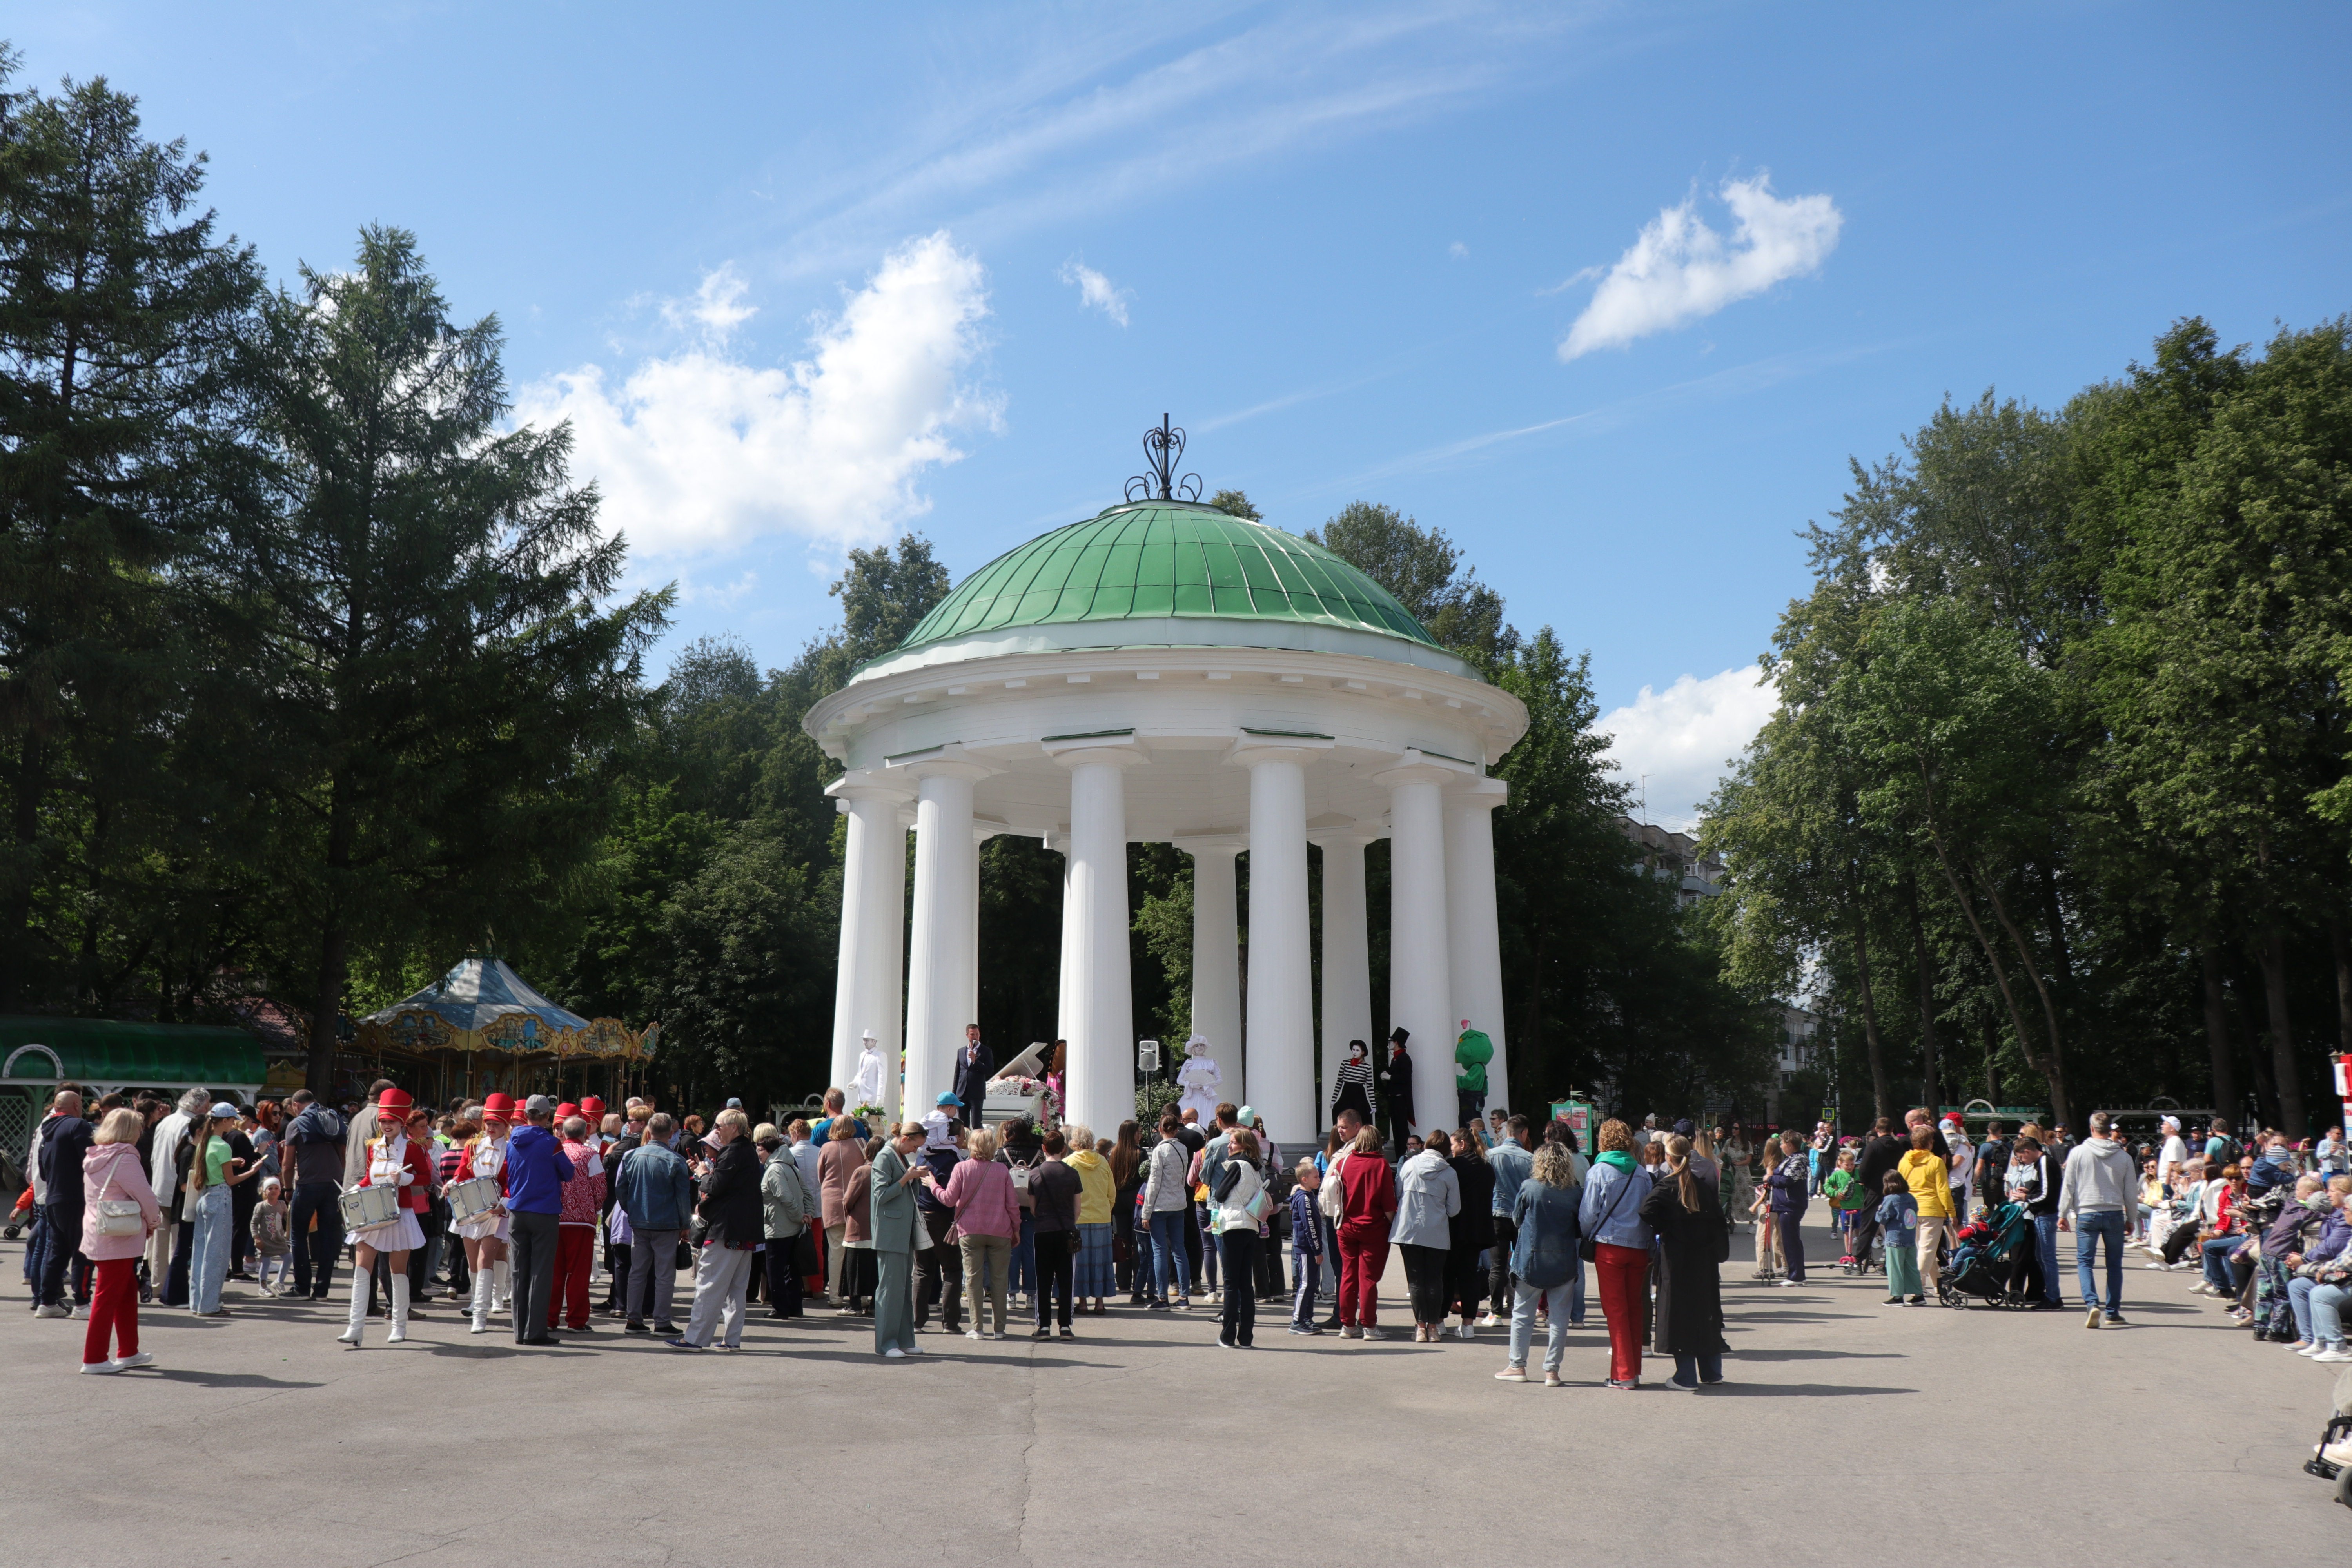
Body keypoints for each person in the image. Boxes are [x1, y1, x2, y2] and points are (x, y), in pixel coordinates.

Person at [338, 1088, 432, 1346]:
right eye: (383, 1121)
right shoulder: (374, 1147)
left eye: (391, 1121)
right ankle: (355, 1328)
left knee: (397, 1270)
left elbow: (426, 1177)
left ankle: (399, 1326)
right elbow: (370, 1176)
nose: (386, 1125)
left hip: (400, 1214)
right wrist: (358, 1188)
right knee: (361, 1268)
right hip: (372, 1213)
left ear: (402, 1123)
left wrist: (407, 1179)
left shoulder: (413, 1148)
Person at [78, 1107, 162, 1373]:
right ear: (129, 1131)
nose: (141, 1133)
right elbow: (146, 1197)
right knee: (108, 1296)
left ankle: (128, 1351)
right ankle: (94, 1359)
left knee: (125, 1292)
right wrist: (154, 1223)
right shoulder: (124, 1158)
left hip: (101, 1230)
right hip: (120, 1234)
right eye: (138, 1128)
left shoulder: (96, 1155)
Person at [1643, 1134, 1730, 1391]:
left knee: (1679, 1314)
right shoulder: (1701, 1185)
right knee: (1705, 1311)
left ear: (1668, 1158)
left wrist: (1666, 1228)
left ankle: (1686, 1376)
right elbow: (1718, 1222)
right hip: (1704, 1260)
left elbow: (1646, 1210)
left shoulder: (1668, 1185)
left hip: (1677, 1260)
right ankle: (1712, 1371)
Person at [669, 1108, 759, 1350]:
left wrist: (703, 1173)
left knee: (709, 1285)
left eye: (719, 1126)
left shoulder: (732, 1152)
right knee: (736, 1290)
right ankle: (732, 1340)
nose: (716, 1131)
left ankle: (695, 1338)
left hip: (725, 1229)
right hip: (744, 1230)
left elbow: (716, 1186)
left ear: (734, 1127)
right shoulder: (749, 1151)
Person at [1496, 1141, 1582, 1385]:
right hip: (1563, 1260)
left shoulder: (1530, 1187)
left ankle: (1517, 1366)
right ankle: (1552, 1371)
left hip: (1531, 1260)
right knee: (1559, 1319)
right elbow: (1579, 1228)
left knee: (1523, 1314)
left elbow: (1516, 1219)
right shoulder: (1576, 1192)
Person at [924, 1124, 1020, 1339]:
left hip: (970, 1230)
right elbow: (1012, 1205)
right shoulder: (1002, 1171)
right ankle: (1000, 1329)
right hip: (1000, 1230)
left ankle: (977, 1328)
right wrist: (1016, 1229)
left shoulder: (962, 1168)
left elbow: (949, 1200)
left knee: (973, 1280)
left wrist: (933, 1185)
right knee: (999, 1280)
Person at [1581, 1119, 1655, 1389]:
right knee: (1634, 1308)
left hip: (1610, 1247)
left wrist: (1586, 1234)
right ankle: (1632, 1370)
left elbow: (1588, 1214)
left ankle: (1624, 1375)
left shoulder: (1599, 1171)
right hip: (1638, 1247)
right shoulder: (1642, 1174)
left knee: (1616, 1311)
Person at [503, 1095, 575, 1347]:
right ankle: (535, 1332)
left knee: (519, 1271)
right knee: (541, 1272)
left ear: (525, 1115)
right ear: (547, 1117)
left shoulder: (512, 1141)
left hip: (517, 1212)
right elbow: (568, 1172)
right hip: (544, 1212)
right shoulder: (552, 1143)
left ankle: (519, 1331)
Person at [2058, 1109, 2139, 1328]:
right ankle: (2112, 1312)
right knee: (2114, 1265)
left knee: (2085, 1262)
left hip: (2086, 1212)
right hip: (2114, 1213)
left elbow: (2069, 1185)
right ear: (2110, 1129)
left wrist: (2063, 1213)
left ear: (2092, 1129)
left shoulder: (2078, 1153)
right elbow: (2131, 1191)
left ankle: (2092, 1304)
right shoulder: (2124, 1156)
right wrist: (2132, 1218)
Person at [1391, 1127, 1461, 1343]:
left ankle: (1420, 1327)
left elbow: (1398, 1194)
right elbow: (1454, 1209)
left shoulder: (1409, 1165)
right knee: (1434, 1281)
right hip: (1437, 1232)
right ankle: (1433, 1327)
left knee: (1415, 1281)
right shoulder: (1449, 1172)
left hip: (1409, 1230)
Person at [143, 1088, 209, 1307]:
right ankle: (173, 1286)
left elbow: (155, 1156)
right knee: (177, 1241)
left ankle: (157, 1284)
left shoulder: (166, 1121)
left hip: (161, 1184)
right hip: (177, 1187)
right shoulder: (188, 1125)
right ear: (199, 1107)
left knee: (159, 1240)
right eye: (207, 1106)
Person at [279, 1089, 347, 1302]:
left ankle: (301, 1288)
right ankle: (322, 1291)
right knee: (329, 1236)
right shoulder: (333, 1118)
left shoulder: (296, 1124)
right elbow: (342, 1155)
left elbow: (288, 1164)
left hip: (308, 1184)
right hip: (334, 1184)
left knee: (298, 1235)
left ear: (296, 1105)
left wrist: (288, 1188)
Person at [33, 1090, 94, 1317]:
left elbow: (43, 1169)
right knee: (83, 1252)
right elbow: (90, 1162)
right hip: (76, 1198)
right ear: (77, 1104)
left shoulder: (46, 1130)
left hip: (54, 1197)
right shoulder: (79, 1126)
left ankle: (47, 1302)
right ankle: (82, 1303)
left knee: (58, 1252)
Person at [1206, 1126, 1266, 1348]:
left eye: (1233, 1143)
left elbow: (1220, 1194)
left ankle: (1228, 1336)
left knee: (1230, 1284)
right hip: (1250, 1227)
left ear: (1245, 1146)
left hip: (1233, 1227)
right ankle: (1246, 1338)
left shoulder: (1237, 1166)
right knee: (1245, 1285)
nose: (1229, 1146)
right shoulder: (1255, 1168)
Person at [1336, 1123, 1398, 1338]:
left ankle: (1347, 1325)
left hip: (1346, 1226)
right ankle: (1369, 1326)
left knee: (1348, 1275)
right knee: (1369, 1279)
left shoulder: (1343, 1163)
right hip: (1374, 1227)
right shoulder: (1381, 1165)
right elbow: (1388, 1203)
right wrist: (1394, 1225)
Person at [546, 1116, 606, 1336]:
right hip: (582, 1221)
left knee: (555, 1271)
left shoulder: (555, 1152)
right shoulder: (591, 1154)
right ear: (585, 1133)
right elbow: (600, 1187)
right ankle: (576, 1321)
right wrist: (594, 1207)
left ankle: (550, 1319)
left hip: (555, 1217)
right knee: (579, 1272)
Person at [869, 1122, 924, 1358]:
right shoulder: (884, 1157)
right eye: (915, 1145)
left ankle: (903, 1340)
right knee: (890, 1289)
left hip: (902, 1232)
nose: (915, 1151)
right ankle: (886, 1344)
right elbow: (881, 1195)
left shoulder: (897, 1156)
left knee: (902, 1288)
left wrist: (915, 1178)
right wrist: (907, 1179)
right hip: (890, 1233)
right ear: (904, 1138)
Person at [1024, 1129, 1082, 1340]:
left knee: (1044, 1280)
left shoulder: (1035, 1174)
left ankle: (1044, 1326)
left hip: (1043, 1232)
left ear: (1043, 1149)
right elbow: (1078, 1209)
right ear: (1064, 1149)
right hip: (1066, 1231)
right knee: (1067, 1281)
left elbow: (1033, 1209)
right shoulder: (1072, 1173)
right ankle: (1065, 1326)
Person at [914, 1120, 966, 1332]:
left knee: (923, 1270)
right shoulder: (951, 1160)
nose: (963, 1139)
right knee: (952, 1269)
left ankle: (916, 1322)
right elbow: (952, 1197)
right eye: (962, 1134)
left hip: (921, 1215)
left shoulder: (923, 1155)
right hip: (943, 1218)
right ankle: (950, 1323)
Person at [1483, 1114, 1535, 1328]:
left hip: (1496, 1215)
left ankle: (1495, 1313)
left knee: (1497, 1266)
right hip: (1522, 1217)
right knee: (1523, 1265)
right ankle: (1523, 1310)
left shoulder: (1490, 1155)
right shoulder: (1530, 1159)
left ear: (1506, 1133)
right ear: (1524, 1134)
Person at [758, 1123, 813, 1321]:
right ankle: (795, 1307)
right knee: (792, 1269)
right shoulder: (790, 1166)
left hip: (778, 1228)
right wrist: (807, 1215)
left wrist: (801, 1216)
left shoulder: (774, 1170)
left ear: (771, 1151)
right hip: (792, 1227)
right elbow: (806, 1193)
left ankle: (780, 1308)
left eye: (761, 1151)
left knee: (775, 1270)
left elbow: (786, 1197)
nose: (759, 1154)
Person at [1446, 1126, 1495, 1341]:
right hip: (1477, 1230)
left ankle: (1439, 1322)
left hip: (1453, 1229)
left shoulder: (1453, 1167)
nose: (1452, 1149)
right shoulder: (1486, 1168)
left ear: (1462, 1145)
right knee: (1470, 1277)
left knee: (1447, 1275)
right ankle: (1468, 1326)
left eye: (1453, 1145)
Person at [1143, 1110, 1195, 1310]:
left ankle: (1163, 1298)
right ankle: (1184, 1297)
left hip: (1160, 1206)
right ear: (1176, 1129)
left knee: (1160, 1252)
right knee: (1179, 1250)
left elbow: (1154, 1183)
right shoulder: (1183, 1148)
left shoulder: (1159, 1150)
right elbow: (1183, 1177)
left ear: (1160, 1130)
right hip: (1179, 1203)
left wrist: (1146, 1212)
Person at [1898, 1124, 1953, 1299]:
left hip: (1910, 1210)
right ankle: (1917, 1286)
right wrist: (1952, 1212)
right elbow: (1943, 1189)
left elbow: (1900, 1186)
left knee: (1923, 1249)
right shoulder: (1936, 1161)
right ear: (1930, 1143)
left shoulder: (1905, 1161)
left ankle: (1939, 1284)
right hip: (1931, 1209)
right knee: (1927, 1250)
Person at [818, 1116, 864, 1312]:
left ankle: (836, 1296)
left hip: (833, 1203)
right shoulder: (862, 1143)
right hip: (858, 1203)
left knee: (836, 1252)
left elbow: (821, 1175)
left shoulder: (826, 1148)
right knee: (860, 1251)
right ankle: (862, 1296)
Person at [1766, 1131, 1810, 1285]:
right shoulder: (1792, 1159)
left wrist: (1770, 1178)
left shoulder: (1798, 1160)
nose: (1781, 1146)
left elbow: (1788, 1180)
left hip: (1790, 1205)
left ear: (1791, 1145)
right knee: (1790, 1240)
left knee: (1791, 1241)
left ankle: (1796, 1276)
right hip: (1785, 1204)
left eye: (1783, 1143)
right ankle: (1797, 1274)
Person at [1288, 1159, 1324, 1336]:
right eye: (1316, 1177)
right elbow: (1309, 1226)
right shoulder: (1304, 1199)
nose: (1319, 1179)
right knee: (1306, 1284)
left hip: (1309, 1248)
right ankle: (1297, 1321)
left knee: (1311, 1285)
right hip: (1306, 1248)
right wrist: (1317, 1250)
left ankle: (1307, 1318)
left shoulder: (1309, 1196)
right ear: (1304, 1180)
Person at [1878, 1172, 1922, 1304]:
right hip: (1910, 1236)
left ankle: (1898, 1296)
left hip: (1895, 1237)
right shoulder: (1910, 1197)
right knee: (1912, 1267)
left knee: (1895, 1268)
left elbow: (1882, 1218)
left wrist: (1879, 1210)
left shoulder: (1891, 1199)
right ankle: (1918, 1295)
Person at [250, 1177, 292, 1295]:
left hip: (279, 1240)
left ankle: (279, 1281)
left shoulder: (282, 1204)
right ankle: (263, 1288)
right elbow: (254, 1223)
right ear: (264, 1191)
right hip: (266, 1241)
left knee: (289, 1258)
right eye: (270, 1188)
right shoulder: (261, 1206)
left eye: (276, 1188)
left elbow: (288, 1218)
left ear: (280, 1191)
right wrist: (256, 1237)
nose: (273, 1191)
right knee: (265, 1264)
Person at [1378, 1028, 1415, 1152]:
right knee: (1396, 1127)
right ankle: (1400, 1153)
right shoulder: (1395, 1059)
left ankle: (1405, 1153)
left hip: (1401, 1098)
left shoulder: (1404, 1058)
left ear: (1397, 1042)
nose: (1389, 1044)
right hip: (1394, 1098)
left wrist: (1390, 1077)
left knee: (1402, 1128)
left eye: (1391, 1041)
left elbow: (1405, 1077)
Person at [1454, 1020, 1493, 1131]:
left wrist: (1455, 1079)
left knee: (1469, 1122)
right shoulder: (1481, 1067)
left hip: (1470, 1099)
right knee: (1472, 1120)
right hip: (1476, 1099)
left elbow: (1468, 1081)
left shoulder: (1477, 1067)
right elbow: (1485, 1087)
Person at [953, 1024, 993, 1129]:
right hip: (962, 1092)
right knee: (963, 1124)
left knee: (976, 1123)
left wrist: (976, 1061)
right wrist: (954, 1094)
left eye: (977, 1034)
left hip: (977, 1092)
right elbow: (958, 1073)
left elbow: (989, 1071)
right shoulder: (961, 1051)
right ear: (967, 1035)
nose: (975, 1037)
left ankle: (977, 1144)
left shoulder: (986, 1051)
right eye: (972, 1034)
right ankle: (965, 1144)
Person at [1330, 1039, 1376, 1125]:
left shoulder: (1367, 1066)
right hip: (1347, 1091)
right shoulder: (1345, 1063)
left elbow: (1370, 1086)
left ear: (1362, 1053)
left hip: (1359, 1094)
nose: (1354, 1052)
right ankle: (1340, 1136)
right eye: (1354, 1050)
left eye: (1357, 1050)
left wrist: (1373, 1105)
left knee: (1362, 1115)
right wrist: (1334, 1099)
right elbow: (1339, 1082)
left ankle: (1364, 1137)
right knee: (1339, 1111)